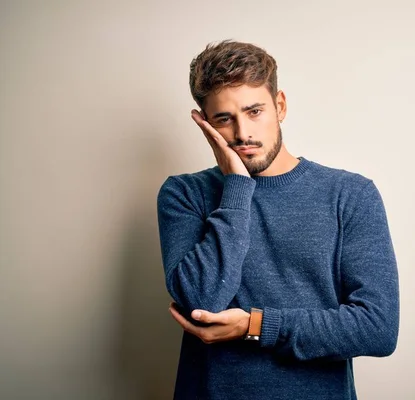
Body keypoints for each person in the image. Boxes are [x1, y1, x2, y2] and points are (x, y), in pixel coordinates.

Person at [156, 39, 400, 400]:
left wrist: (255, 325)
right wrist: (237, 185)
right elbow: (200, 301)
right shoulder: (184, 194)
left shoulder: (350, 195)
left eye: (254, 112)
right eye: (224, 119)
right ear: (205, 124)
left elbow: (377, 328)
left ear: (280, 105)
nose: (242, 134)